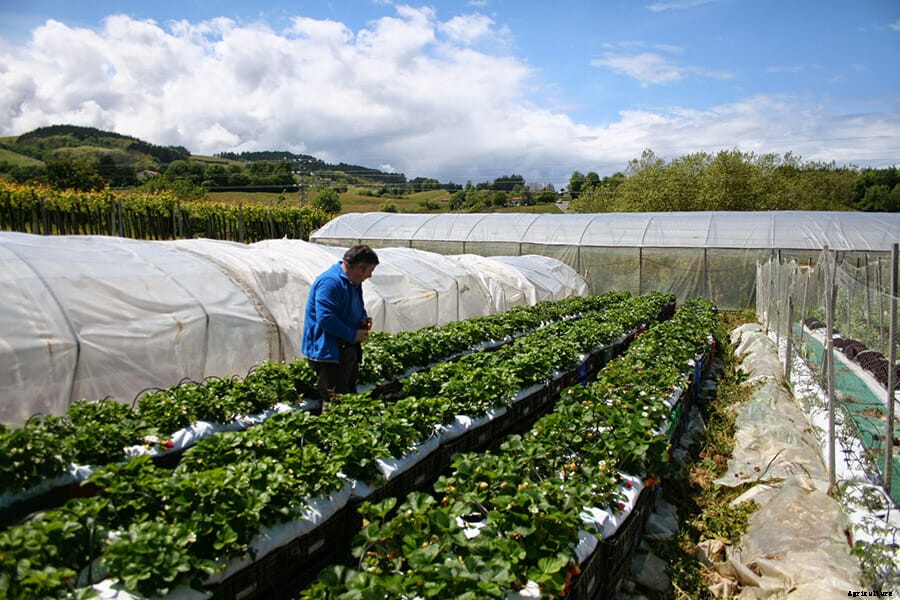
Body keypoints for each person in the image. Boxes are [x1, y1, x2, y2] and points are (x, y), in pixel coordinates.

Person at [301, 244, 379, 412]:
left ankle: (345, 432)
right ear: (359, 267)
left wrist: (362, 319)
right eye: (369, 271)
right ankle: (334, 436)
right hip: (329, 352)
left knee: (346, 396)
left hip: (344, 349)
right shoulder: (330, 282)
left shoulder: (353, 282)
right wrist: (352, 334)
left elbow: (356, 307)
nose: (370, 276)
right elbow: (326, 318)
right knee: (336, 401)